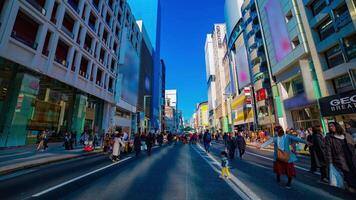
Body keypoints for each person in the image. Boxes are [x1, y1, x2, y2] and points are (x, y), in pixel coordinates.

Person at [325, 122, 356, 192]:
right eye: (329, 126)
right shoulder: (329, 137)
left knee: (353, 170)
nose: (330, 127)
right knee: (347, 172)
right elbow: (328, 151)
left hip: (350, 156)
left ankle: (351, 186)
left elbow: (353, 144)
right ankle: (351, 186)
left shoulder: (346, 135)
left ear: (337, 126)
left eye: (332, 126)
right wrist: (330, 163)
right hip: (339, 158)